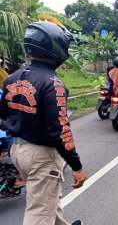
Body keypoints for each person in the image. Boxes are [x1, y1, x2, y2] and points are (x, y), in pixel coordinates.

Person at [0, 21, 86, 225]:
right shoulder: (53, 83)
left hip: (17, 151)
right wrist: (77, 166)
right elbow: (60, 131)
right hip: (40, 156)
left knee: (47, 199)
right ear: (56, 48)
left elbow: (4, 114)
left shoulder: (12, 78)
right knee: (39, 213)